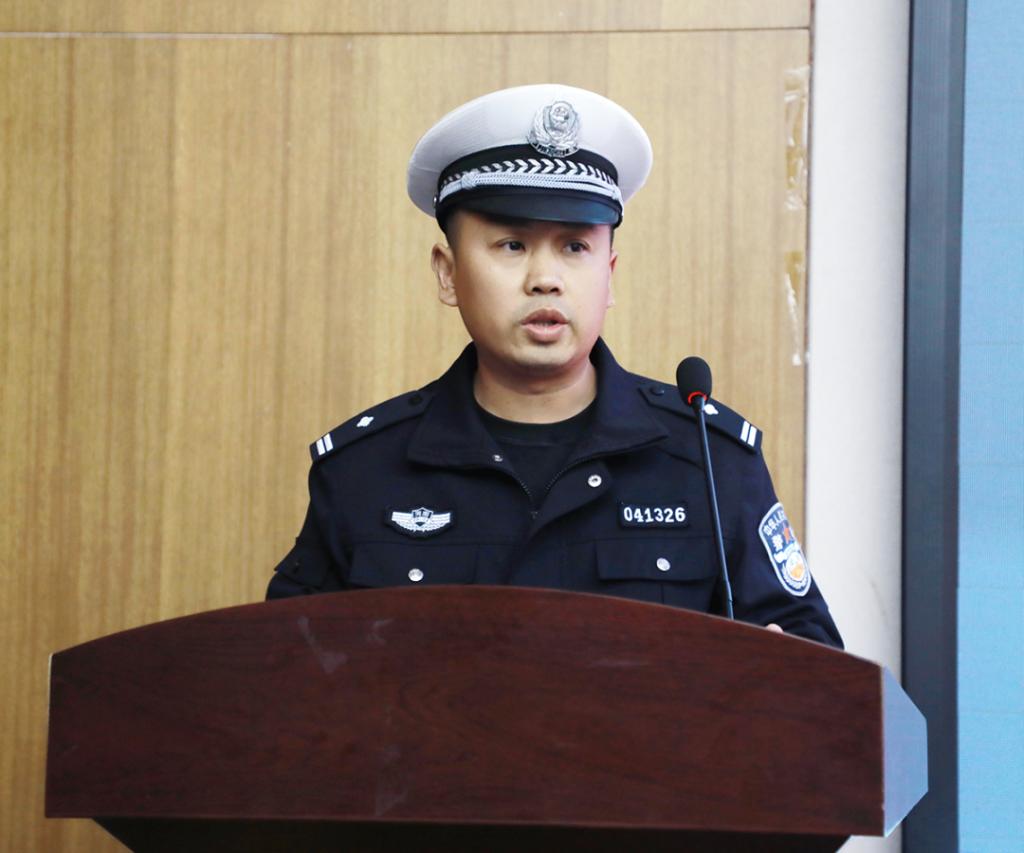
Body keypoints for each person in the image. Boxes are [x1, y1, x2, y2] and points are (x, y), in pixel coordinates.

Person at [266, 84, 842, 648]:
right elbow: (280, 672)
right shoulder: (365, 471)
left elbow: (815, 668)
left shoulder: (709, 460)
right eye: (511, 245)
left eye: (574, 247)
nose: (545, 279)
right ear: (448, 273)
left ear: (609, 275)